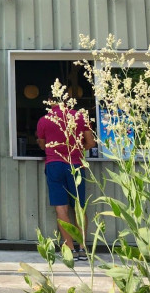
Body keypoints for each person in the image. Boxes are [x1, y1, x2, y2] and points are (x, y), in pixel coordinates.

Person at [37, 99, 96, 261]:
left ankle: (70, 249)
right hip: (75, 165)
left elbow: (42, 144)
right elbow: (91, 142)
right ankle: (83, 248)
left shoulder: (44, 120)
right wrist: (77, 150)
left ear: (50, 103)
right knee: (79, 207)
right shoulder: (79, 116)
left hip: (54, 165)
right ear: (67, 101)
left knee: (61, 208)